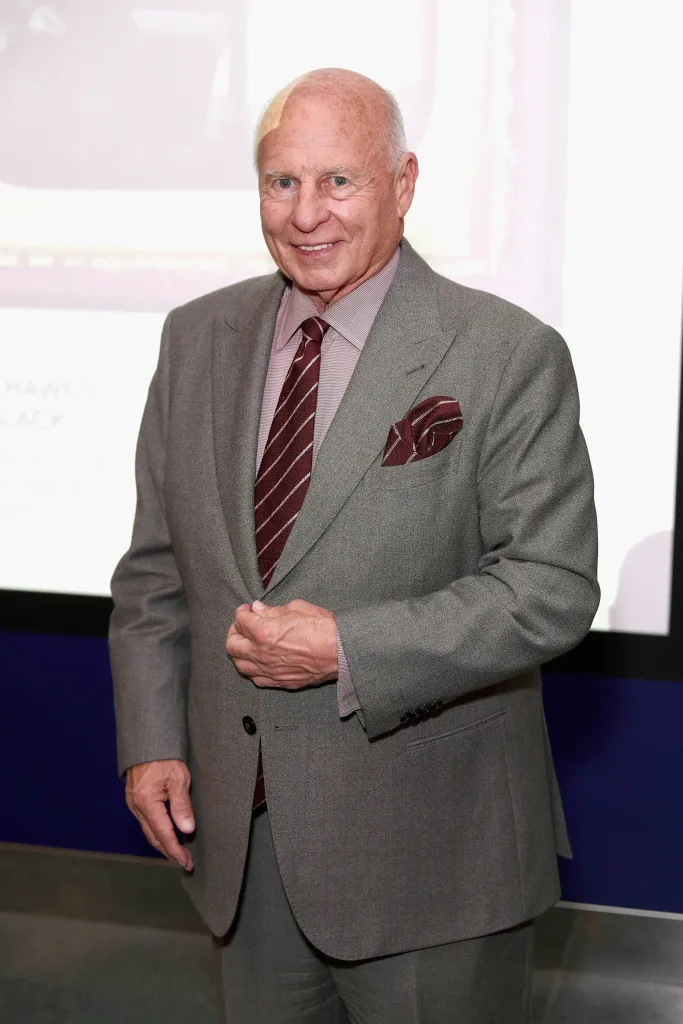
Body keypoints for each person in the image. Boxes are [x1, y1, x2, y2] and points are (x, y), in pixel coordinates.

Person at [109, 68, 599, 1023]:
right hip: (241, 848)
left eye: (339, 181)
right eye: (281, 182)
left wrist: (348, 648)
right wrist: (153, 742)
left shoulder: (503, 351)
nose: (305, 214)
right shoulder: (196, 337)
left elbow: (551, 585)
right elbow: (156, 571)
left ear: (403, 183)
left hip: (434, 859)